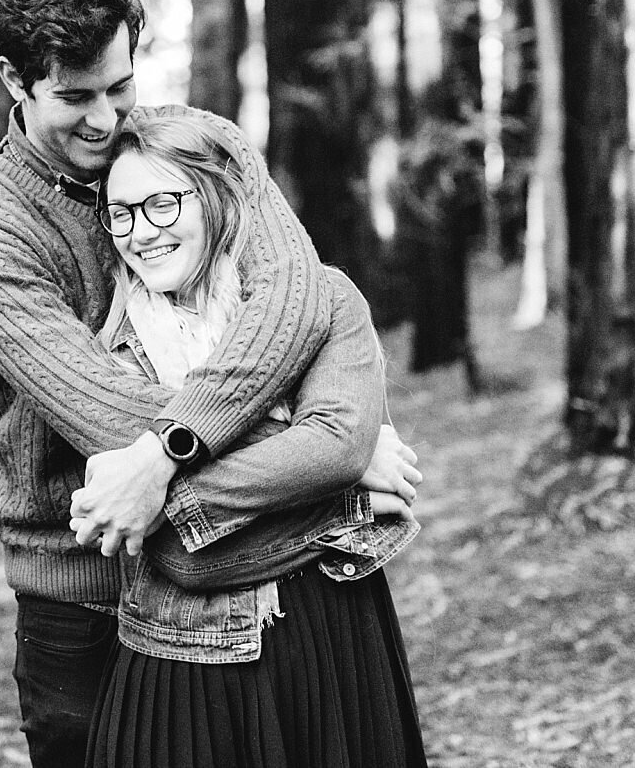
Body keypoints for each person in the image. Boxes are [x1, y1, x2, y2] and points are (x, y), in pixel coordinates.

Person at [0, 0, 420, 768]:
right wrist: (330, 459)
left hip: (255, 575)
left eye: (120, 87)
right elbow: (111, 416)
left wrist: (279, 446)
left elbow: (294, 299)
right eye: (73, 96)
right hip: (84, 592)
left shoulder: (207, 151)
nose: (103, 118)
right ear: (17, 81)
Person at [79, 113, 428, 767]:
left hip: (338, 644)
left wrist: (172, 485)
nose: (141, 232)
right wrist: (347, 499)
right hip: (185, 669)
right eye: (121, 213)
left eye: (161, 202)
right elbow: (188, 558)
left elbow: (338, 446)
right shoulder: (110, 363)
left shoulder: (326, 298)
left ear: (216, 197)